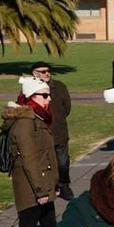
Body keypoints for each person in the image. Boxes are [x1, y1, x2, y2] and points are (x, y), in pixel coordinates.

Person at [2, 76, 68, 227]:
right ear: (31, 97)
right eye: (44, 95)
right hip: (30, 187)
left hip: (43, 183)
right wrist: (40, 191)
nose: (49, 99)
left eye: (49, 95)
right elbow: (30, 160)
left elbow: (46, 156)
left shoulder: (37, 118)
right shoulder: (24, 123)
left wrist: (54, 184)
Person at [31, 62, 73, 200]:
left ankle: (64, 185)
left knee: (62, 162)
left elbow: (67, 107)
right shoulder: (29, 89)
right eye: (43, 71)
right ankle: (49, 188)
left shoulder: (59, 87)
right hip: (41, 134)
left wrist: (58, 119)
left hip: (59, 131)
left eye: (48, 71)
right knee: (45, 163)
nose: (47, 73)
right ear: (35, 73)